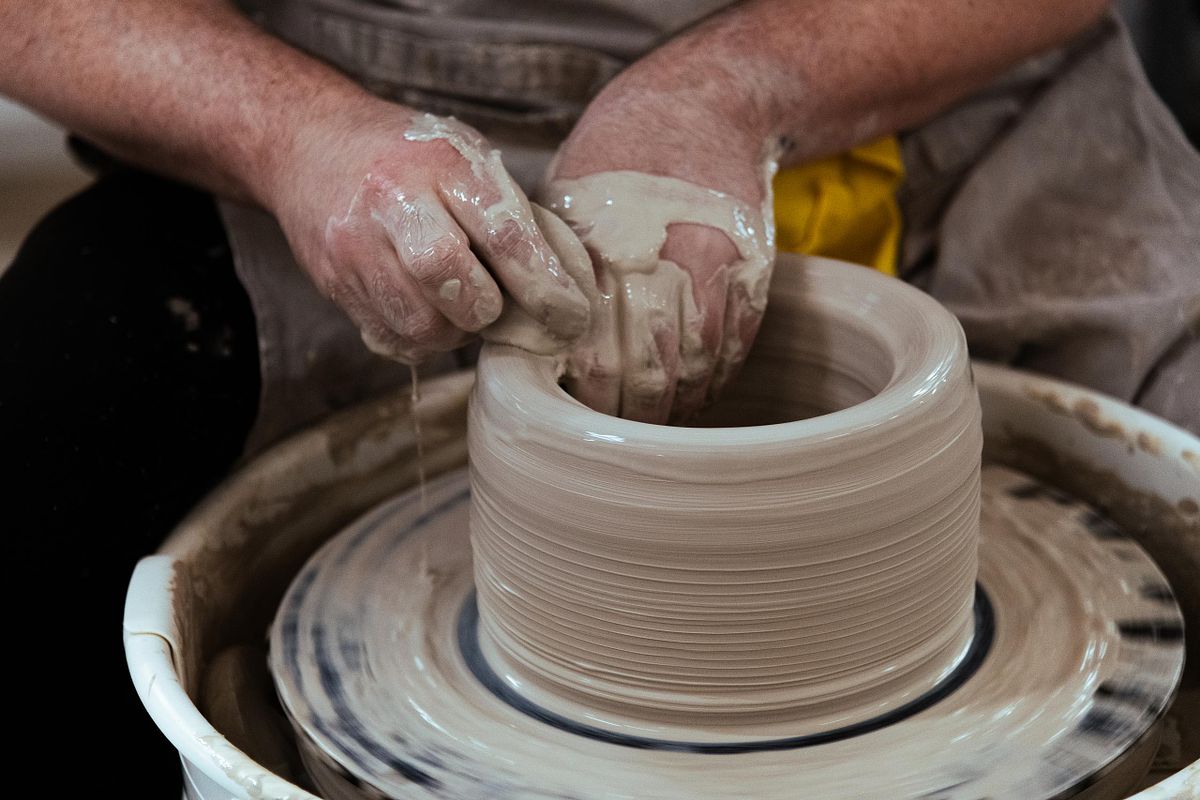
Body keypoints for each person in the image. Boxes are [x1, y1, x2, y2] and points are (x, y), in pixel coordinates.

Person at [1, 0, 1196, 793]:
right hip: (368, 128)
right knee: (60, 409)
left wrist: (734, 82)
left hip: (922, 85)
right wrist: (292, 133)